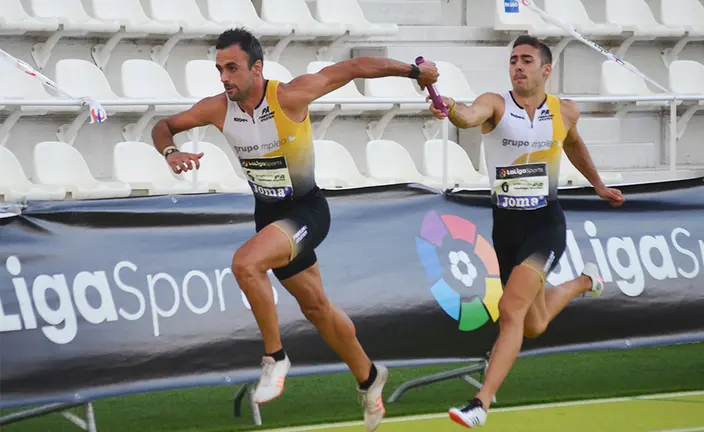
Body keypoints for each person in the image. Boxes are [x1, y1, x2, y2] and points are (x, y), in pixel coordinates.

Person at [149, 27, 439, 431]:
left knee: (246, 264)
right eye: (219, 69)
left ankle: (276, 357)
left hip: (306, 211)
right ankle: (370, 378)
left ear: (257, 68)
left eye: (232, 68)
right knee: (317, 308)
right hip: (268, 217)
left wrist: (412, 71)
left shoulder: (289, 96)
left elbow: (352, 67)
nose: (225, 78)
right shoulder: (217, 108)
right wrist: (171, 151)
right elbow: (163, 127)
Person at [427, 35, 625, 428]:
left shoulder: (565, 111)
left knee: (511, 311)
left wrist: (598, 185)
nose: (518, 66)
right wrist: (450, 108)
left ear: (545, 70)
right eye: (513, 59)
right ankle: (585, 281)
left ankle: (481, 402)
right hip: (506, 227)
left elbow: (574, 146)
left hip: (545, 224)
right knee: (532, 324)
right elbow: (468, 116)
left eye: (527, 60)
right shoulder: (496, 104)